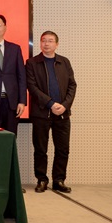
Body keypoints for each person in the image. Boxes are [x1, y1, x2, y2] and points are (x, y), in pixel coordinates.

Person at [26, 31, 77, 193]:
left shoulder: (64, 62)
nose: (46, 44)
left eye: (50, 41)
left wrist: (65, 105)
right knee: (41, 149)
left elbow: (72, 85)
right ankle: (41, 179)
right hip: (41, 113)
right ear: (40, 43)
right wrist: (50, 103)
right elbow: (32, 87)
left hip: (63, 113)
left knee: (63, 149)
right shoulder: (32, 63)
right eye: (43, 41)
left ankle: (59, 180)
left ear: (56, 44)